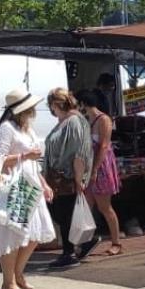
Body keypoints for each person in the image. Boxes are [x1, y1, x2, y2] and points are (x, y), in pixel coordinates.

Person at [0, 89, 56, 289]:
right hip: (15, 186)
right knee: (13, 236)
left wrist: (44, 183)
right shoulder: (6, 129)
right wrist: (25, 156)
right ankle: (8, 283)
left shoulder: (27, 129)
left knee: (33, 234)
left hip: (30, 184)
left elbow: (34, 162)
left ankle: (17, 274)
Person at [43, 88, 97, 268]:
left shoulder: (73, 122)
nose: (51, 110)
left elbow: (78, 154)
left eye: (52, 106)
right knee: (64, 214)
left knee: (64, 214)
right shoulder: (67, 121)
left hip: (65, 177)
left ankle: (70, 252)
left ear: (57, 104)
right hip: (60, 177)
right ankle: (81, 243)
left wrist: (78, 179)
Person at [79, 89, 127, 255]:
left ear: (83, 103)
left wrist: (95, 170)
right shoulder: (87, 120)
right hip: (90, 165)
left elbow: (104, 146)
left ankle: (116, 243)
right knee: (86, 205)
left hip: (101, 166)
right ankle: (84, 242)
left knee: (104, 206)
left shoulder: (104, 119)